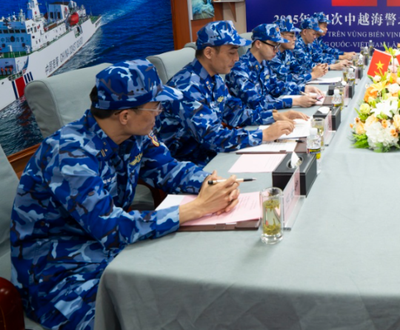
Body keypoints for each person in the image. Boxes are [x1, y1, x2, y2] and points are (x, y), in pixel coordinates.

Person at [10, 60, 241, 330]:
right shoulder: (69, 153)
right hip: (58, 272)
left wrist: (210, 183)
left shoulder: (136, 134)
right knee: (146, 317)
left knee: (190, 292)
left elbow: (169, 170)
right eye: (154, 106)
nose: (160, 111)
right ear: (124, 115)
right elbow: (110, 227)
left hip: (109, 252)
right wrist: (196, 209)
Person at [157, 20, 307, 167]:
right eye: (231, 52)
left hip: (213, 154)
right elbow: (212, 137)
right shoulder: (187, 87)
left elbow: (236, 113)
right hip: (189, 165)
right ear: (209, 52)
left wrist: (273, 116)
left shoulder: (215, 78)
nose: (236, 58)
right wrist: (264, 135)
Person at [226, 23, 320, 109]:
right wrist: (295, 101)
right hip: (253, 121)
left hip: (269, 113)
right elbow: (256, 103)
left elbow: (276, 86)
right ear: (258, 44)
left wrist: (303, 88)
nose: (276, 50)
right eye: (273, 46)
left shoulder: (263, 62)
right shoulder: (239, 69)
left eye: (278, 46)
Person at [272, 18, 327, 88]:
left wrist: (314, 69)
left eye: (294, 36)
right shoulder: (272, 55)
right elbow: (284, 78)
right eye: (291, 36)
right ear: (279, 36)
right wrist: (312, 75)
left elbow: (297, 68)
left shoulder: (287, 52)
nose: (295, 39)